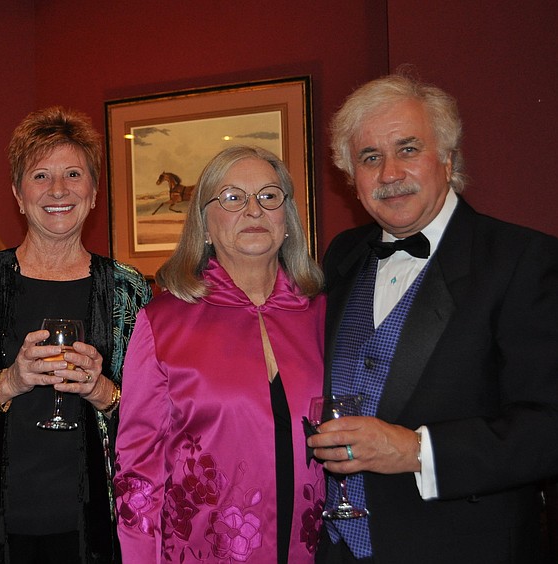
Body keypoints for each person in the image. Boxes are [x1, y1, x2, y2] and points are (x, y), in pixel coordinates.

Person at [308, 74, 558, 563]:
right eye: (370, 157)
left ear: (447, 158)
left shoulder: (523, 259)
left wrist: (417, 451)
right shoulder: (342, 256)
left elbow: (549, 426)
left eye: (408, 149)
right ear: (351, 176)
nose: (389, 174)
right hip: (337, 550)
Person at [0, 106, 152, 563]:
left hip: (94, 531)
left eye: (73, 174)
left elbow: (154, 417)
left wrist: (102, 390)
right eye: (40, 176)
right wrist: (9, 381)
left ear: (94, 192)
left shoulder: (126, 288)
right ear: (17, 193)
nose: (58, 190)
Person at [114, 145, 327, 563]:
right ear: (205, 226)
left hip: (316, 551)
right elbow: (138, 474)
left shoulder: (323, 313)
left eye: (269, 196)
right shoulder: (163, 322)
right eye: (233, 197)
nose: (254, 210)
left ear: (287, 219)